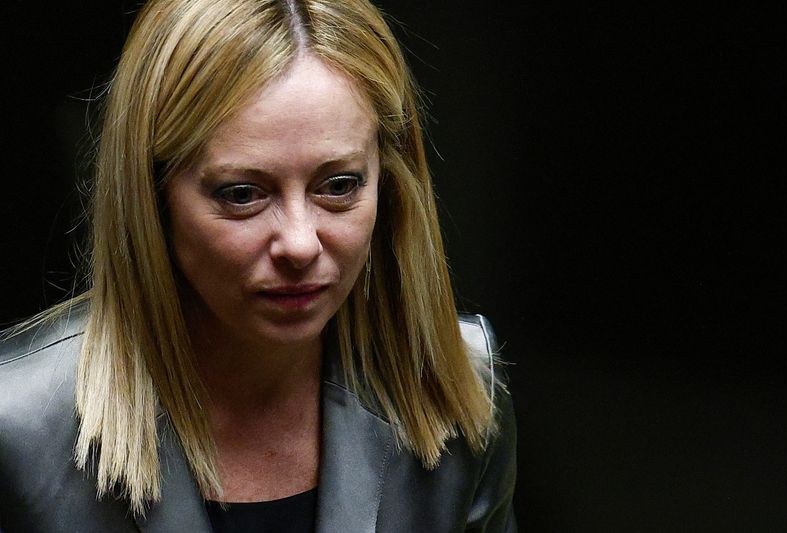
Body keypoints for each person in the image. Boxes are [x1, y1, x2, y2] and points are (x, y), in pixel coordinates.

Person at [0, 0, 517, 531]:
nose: (299, 244)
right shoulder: (14, 427)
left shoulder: (458, 391)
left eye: (339, 186)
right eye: (242, 194)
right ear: (152, 196)